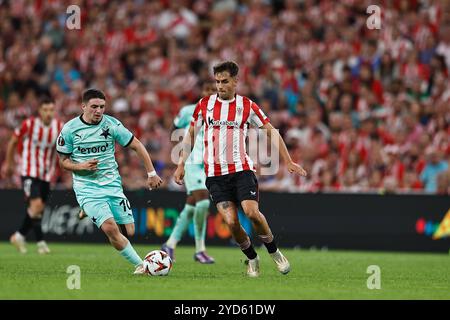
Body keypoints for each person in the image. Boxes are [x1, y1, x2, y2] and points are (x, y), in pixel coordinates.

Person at [174, 61, 307, 277]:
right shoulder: (204, 105)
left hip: (241, 170)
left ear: (236, 81)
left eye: (224, 81)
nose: (219, 86)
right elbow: (189, 134)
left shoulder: (247, 106)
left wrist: (289, 161)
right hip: (215, 175)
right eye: (217, 81)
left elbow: (271, 131)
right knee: (230, 221)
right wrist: (181, 164)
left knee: (251, 213)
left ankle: (275, 253)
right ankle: (252, 258)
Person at [56, 89, 162, 274]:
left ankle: (86, 210)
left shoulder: (111, 125)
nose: (98, 111)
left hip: (112, 185)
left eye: (102, 107)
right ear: (83, 107)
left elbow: (136, 145)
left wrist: (151, 173)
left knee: (129, 231)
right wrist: (81, 167)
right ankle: (141, 265)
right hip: (87, 188)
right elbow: (63, 162)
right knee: (111, 229)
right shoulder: (70, 129)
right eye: (94, 107)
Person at [161, 81, 216, 264]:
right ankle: (200, 250)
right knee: (202, 202)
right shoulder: (189, 111)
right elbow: (174, 130)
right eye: (207, 89)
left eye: (213, 90)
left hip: (210, 163)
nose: (209, 93)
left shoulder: (222, 112)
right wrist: (180, 153)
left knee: (191, 205)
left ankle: (170, 244)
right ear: (202, 91)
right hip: (192, 161)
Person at [2, 97, 63, 254]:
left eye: (51, 110)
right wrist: (8, 164)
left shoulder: (59, 126)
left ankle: (35, 240)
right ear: (40, 111)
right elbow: (13, 142)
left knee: (38, 210)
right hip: (29, 172)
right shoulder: (29, 124)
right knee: (35, 207)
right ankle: (22, 236)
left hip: (46, 174)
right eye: (45, 110)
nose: (48, 113)